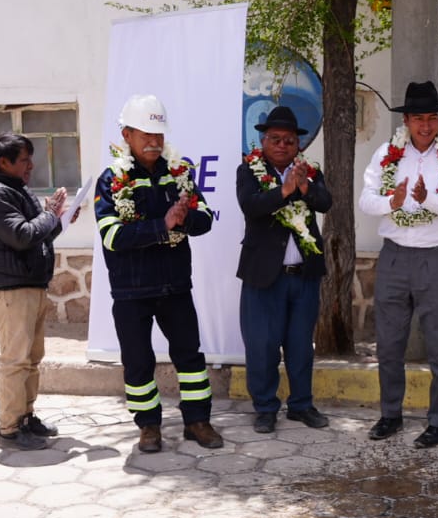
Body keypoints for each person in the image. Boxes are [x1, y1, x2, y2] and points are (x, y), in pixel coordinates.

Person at [94, 94, 222, 453]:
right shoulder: (111, 180)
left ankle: (197, 422)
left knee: (190, 357)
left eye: (159, 134)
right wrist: (162, 226)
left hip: (175, 286)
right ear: (127, 135)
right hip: (131, 291)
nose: (154, 141)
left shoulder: (179, 173)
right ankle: (148, 426)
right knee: (138, 362)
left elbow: (205, 219)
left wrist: (185, 218)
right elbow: (113, 236)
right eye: (146, 134)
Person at [358, 81, 438, 448]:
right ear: (405, 120)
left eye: (432, 118)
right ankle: (390, 415)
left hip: (436, 256)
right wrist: (392, 202)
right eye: (418, 118)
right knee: (389, 342)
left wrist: (430, 199)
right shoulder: (386, 154)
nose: (426, 126)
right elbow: (366, 200)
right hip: (394, 255)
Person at [236, 105, 333, 434]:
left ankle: (301, 405)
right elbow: (251, 206)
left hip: (303, 276)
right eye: (275, 139)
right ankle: (265, 408)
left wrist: (304, 188)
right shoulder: (248, 171)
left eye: (289, 140)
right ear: (263, 141)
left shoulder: (309, 171)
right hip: (264, 277)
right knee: (262, 346)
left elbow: (325, 202)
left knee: (301, 346)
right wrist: (285, 191)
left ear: (298, 145)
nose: (282, 145)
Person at [0, 132, 68, 451]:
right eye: (24, 160)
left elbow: (36, 234)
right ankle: (10, 430)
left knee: (31, 359)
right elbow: (22, 235)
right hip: (12, 291)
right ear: (4, 162)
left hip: (31, 285)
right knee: (15, 361)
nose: (31, 165)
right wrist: (50, 215)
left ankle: (26, 417)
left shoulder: (15, 190)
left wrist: (58, 220)